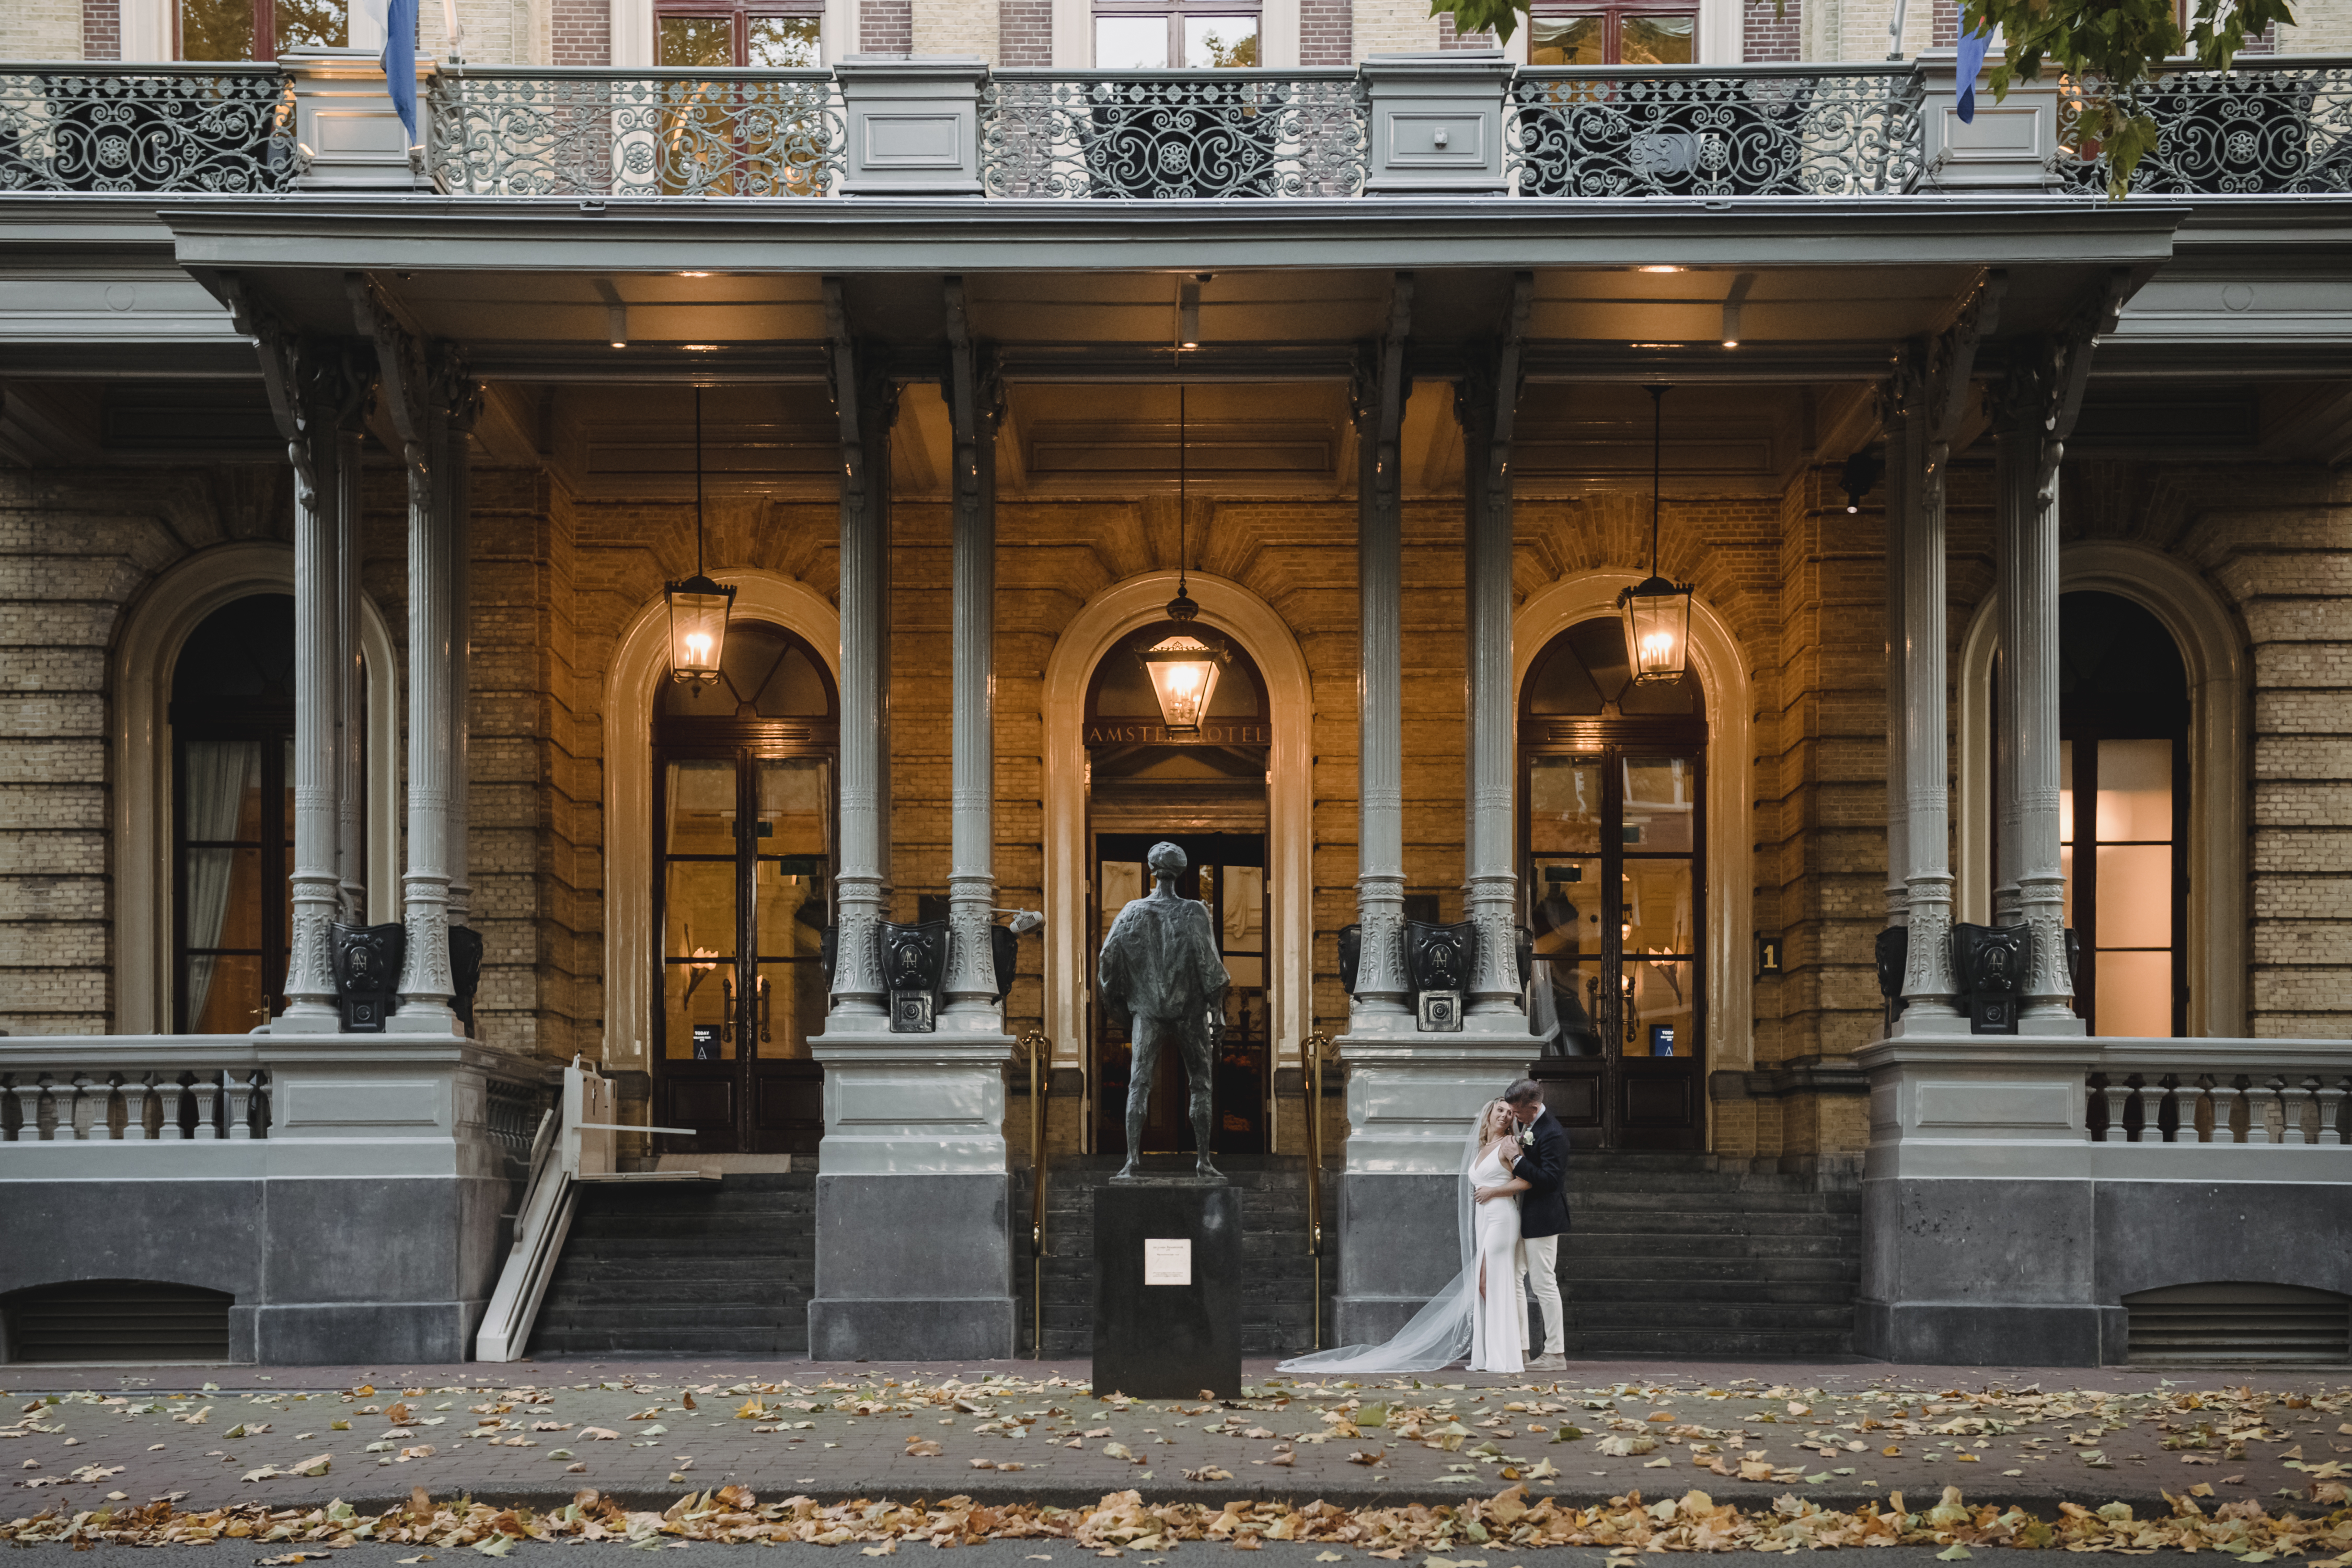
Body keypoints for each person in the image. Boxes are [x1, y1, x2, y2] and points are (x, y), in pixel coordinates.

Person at [1275, 1092, 1536, 1376]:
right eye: (1500, 1110)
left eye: (1510, 1113)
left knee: (1488, 1283)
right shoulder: (1482, 1147)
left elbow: (1526, 1182)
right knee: (1485, 1284)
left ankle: (1505, 1354)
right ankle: (1490, 1355)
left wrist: (1493, 1191)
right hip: (1485, 1218)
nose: (1505, 1116)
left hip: (1501, 1217)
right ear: (1489, 1114)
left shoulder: (1511, 1145)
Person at [1097, 840, 1230, 1180]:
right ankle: (1203, 1160)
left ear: (1152, 870)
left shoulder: (1131, 912)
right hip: (1190, 1011)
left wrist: (1123, 1010)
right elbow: (1212, 969)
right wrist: (1217, 1012)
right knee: (1201, 1084)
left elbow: (1107, 964)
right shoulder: (1195, 911)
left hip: (1148, 1012)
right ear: (1181, 872)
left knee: (1138, 1084)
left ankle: (1131, 1160)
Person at [1503, 1077, 1571, 1370]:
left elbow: (1551, 1181)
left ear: (1534, 1107)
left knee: (1544, 1284)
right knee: (1516, 1277)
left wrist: (1517, 1160)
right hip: (1524, 1216)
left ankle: (1556, 1353)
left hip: (1544, 1217)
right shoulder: (1531, 1126)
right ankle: (1522, 1350)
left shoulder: (1553, 1133)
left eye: (1518, 1113)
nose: (1514, 1117)